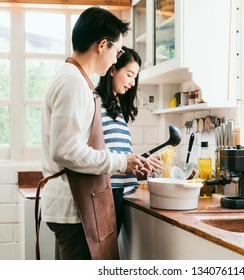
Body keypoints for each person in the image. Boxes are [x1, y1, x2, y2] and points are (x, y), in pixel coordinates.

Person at [40, 7, 152, 260]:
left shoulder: (72, 78)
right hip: (73, 207)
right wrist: (121, 161)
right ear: (103, 44)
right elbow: (66, 151)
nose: (116, 59)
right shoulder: (72, 82)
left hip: (74, 205)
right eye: (117, 51)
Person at [96, 47, 162, 234]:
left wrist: (139, 163)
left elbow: (114, 151)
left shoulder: (114, 107)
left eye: (135, 77)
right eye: (129, 75)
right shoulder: (95, 103)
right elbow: (92, 153)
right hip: (104, 195)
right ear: (113, 69)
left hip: (116, 193)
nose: (132, 83)